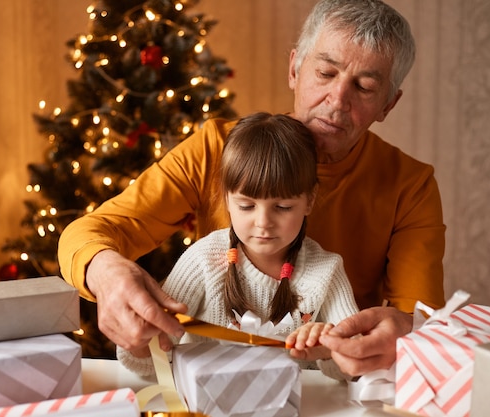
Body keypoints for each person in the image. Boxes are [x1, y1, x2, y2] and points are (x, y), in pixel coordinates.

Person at [58, 0, 446, 376]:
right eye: (325, 74)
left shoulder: (410, 186)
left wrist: (407, 332)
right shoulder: (215, 149)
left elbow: (421, 319)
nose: (337, 100)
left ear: (388, 105)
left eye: (363, 87)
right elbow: (90, 231)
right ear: (294, 68)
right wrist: (104, 271)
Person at [116, 112, 359, 378]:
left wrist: (330, 349)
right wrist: (141, 342)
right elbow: (153, 363)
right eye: (246, 206)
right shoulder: (203, 261)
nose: (263, 222)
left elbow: (356, 365)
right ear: (227, 199)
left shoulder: (327, 270)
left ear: (309, 200)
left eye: (283, 207)